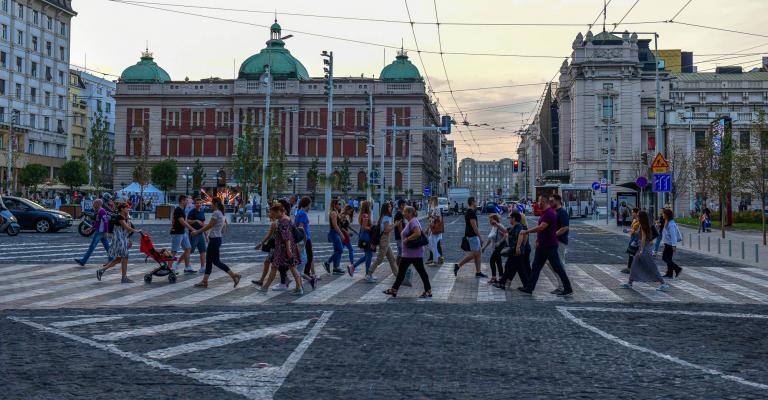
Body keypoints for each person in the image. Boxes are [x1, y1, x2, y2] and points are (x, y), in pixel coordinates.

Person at [518, 195, 573, 297]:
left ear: (543, 201)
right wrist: (538, 240)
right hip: (542, 245)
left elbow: (541, 227)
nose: (537, 203)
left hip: (550, 245)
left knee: (557, 267)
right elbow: (542, 230)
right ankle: (529, 288)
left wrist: (527, 231)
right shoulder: (545, 213)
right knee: (536, 266)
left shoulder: (549, 213)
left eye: (539, 201)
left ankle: (567, 288)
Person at [190, 197, 241, 288]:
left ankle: (234, 275)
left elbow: (209, 226)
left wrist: (197, 232)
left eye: (212, 204)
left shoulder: (216, 213)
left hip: (214, 240)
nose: (211, 206)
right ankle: (205, 281)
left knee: (216, 261)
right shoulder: (221, 213)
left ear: (216, 204)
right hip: (216, 239)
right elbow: (222, 228)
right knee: (209, 261)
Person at [383, 206, 432, 298]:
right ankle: (394, 289)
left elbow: (417, 233)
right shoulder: (411, 221)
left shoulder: (413, 221)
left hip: (412, 253)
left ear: (410, 213)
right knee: (404, 272)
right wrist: (400, 228)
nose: (403, 213)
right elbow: (405, 233)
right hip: (411, 253)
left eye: (405, 212)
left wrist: (407, 239)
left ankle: (427, 290)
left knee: (410, 272)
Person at [258, 203, 304, 295]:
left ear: (279, 211)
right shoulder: (286, 218)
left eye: (274, 213)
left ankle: (299, 288)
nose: (273, 215)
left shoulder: (283, 221)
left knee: (288, 267)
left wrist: (289, 250)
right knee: (282, 267)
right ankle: (265, 288)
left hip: (284, 249)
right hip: (283, 248)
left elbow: (286, 237)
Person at [622, 210, 670, 291]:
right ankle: (630, 283)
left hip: (644, 250)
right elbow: (641, 235)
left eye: (638, 216)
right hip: (644, 249)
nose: (637, 217)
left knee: (651, 266)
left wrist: (641, 250)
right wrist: (629, 231)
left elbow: (643, 238)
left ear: (642, 217)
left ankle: (663, 283)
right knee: (634, 265)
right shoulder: (645, 225)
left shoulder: (643, 226)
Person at [96, 203, 140, 283]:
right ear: (122, 209)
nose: (128, 209)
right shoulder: (119, 217)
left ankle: (101, 270)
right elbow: (126, 227)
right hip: (119, 240)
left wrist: (128, 219)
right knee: (125, 257)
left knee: (119, 259)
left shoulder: (125, 218)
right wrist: (137, 231)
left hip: (122, 239)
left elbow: (128, 230)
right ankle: (124, 278)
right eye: (126, 208)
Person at [494, 211, 530, 289]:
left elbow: (521, 235)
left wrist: (518, 247)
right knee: (520, 268)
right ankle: (527, 286)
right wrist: (497, 224)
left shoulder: (518, 226)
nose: (509, 219)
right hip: (515, 251)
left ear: (514, 218)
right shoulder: (514, 226)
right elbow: (505, 230)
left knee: (509, 266)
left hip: (516, 251)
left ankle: (502, 283)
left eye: (510, 218)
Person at [453, 197, 487, 278]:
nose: (476, 202)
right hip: (472, 236)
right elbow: (474, 227)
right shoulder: (471, 212)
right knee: (475, 253)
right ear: (472, 202)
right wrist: (480, 238)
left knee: (478, 254)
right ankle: (458, 265)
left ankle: (478, 272)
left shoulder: (470, 211)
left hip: (471, 235)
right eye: (475, 201)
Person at [74, 199, 114, 266]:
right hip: (100, 231)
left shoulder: (102, 211)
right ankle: (112, 259)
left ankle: (83, 261)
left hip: (100, 232)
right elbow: (97, 223)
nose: (93, 204)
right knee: (107, 246)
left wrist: (106, 232)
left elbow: (105, 221)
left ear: (98, 204)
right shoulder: (99, 211)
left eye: (94, 203)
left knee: (92, 247)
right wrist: (90, 228)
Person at [368, 202, 398, 283]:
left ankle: (398, 275)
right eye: (389, 206)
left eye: (391, 206)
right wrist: (395, 224)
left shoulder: (383, 216)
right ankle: (369, 273)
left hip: (386, 240)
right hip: (384, 239)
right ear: (386, 208)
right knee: (380, 259)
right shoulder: (386, 217)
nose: (391, 207)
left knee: (392, 259)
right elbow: (387, 229)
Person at [548, 194, 570, 293]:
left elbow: (565, 227)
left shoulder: (562, 212)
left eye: (552, 201)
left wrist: (554, 235)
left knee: (560, 263)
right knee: (551, 263)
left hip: (560, 241)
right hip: (554, 241)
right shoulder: (554, 211)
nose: (550, 203)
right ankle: (561, 285)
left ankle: (563, 286)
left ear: (558, 201)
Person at [295, 196, 316, 289]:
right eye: (310, 205)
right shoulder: (303, 213)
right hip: (305, 238)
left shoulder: (299, 212)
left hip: (304, 238)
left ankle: (305, 275)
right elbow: (301, 227)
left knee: (306, 257)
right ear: (307, 204)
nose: (310, 207)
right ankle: (306, 274)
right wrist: (303, 241)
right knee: (308, 257)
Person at [170, 195, 195, 274]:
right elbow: (183, 222)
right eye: (186, 200)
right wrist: (192, 229)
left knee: (188, 248)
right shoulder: (178, 210)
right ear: (182, 201)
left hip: (182, 232)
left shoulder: (182, 209)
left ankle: (187, 267)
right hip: (177, 233)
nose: (187, 202)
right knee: (174, 251)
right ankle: (170, 268)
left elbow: (184, 221)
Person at [350, 200, 374, 277]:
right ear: (368, 207)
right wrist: (372, 228)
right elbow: (364, 227)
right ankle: (367, 274)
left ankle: (353, 266)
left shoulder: (363, 215)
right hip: (366, 236)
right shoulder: (366, 215)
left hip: (364, 236)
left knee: (368, 255)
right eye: (370, 205)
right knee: (369, 255)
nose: (371, 207)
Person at [481, 214, 507, 284]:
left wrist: (499, 242)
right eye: (489, 220)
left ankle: (494, 277)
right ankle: (501, 277)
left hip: (499, 247)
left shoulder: (499, 226)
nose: (490, 221)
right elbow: (490, 239)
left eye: (491, 219)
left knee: (492, 261)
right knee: (498, 262)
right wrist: (484, 247)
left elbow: (506, 234)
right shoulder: (493, 227)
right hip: (494, 248)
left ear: (495, 219)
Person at [324, 199, 346, 275]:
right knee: (340, 250)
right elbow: (335, 225)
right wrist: (341, 234)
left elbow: (339, 223)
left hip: (335, 233)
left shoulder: (336, 212)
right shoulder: (333, 213)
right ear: (335, 205)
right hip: (334, 233)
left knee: (337, 250)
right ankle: (327, 262)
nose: (340, 205)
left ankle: (336, 268)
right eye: (339, 204)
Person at [186, 198, 208, 273]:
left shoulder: (202, 211)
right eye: (197, 203)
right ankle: (186, 266)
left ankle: (202, 267)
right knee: (189, 250)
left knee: (203, 250)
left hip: (201, 233)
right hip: (194, 234)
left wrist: (206, 235)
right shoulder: (192, 212)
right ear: (194, 204)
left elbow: (203, 224)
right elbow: (188, 221)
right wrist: (196, 221)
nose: (199, 204)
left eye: (200, 203)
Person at [661, 208, 683, 278]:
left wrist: (674, 245)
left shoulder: (671, 224)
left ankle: (677, 268)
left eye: (663, 214)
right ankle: (669, 274)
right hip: (667, 243)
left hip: (670, 244)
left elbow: (673, 235)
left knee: (665, 258)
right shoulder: (667, 222)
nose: (662, 215)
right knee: (668, 259)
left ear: (667, 215)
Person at [622, 208, 641, 274]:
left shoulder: (639, 221)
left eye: (633, 212)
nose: (632, 213)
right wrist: (629, 230)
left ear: (636, 213)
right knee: (631, 253)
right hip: (633, 237)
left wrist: (632, 231)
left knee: (632, 253)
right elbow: (633, 229)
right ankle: (629, 268)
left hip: (636, 238)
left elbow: (639, 231)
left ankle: (631, 268)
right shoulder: (634, 220)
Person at [426, 199, 444, 266]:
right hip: (433, 229)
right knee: (431, 245)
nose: (430, 203)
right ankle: (438, 258)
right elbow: (431, 220)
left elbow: (438, 219)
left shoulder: (436, 208)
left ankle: (436, 260)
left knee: (433, 245)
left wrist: (431, 217)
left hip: (435, 229)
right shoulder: (433, 209)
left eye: (431, 201)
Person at [340, 204, 358, 272]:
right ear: (347, 210)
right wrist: (348, 233)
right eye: (350, 211)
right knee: (350, 249)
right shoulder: (343, 216)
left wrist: (354, 231)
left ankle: (333, 264)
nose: (351, 212)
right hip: (344, 235)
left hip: (343, 235)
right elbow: (341, 227)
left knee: (340, 250)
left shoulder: (345, 216)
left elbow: (347, 226)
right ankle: (352, 265)